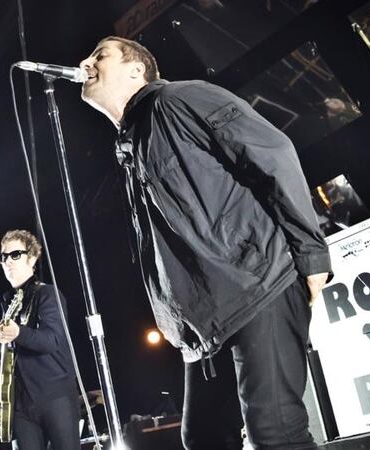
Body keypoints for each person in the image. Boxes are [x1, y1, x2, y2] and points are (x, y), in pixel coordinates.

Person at [79, 36, 332, 450]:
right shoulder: (132, 143)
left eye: (99, 55)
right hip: (205, 319)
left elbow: (273, 152)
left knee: (275, 431)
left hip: (256, 285)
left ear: (136, 69)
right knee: (204, 438)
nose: (85, 63)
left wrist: (311, 250)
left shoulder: (180, 99)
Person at [0, 230, 79, 450]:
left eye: (15, 255)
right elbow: (16, 355)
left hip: (54, 396)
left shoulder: (47, 294)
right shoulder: (8, 302)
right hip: (21, 403)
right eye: (4, 256)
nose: (8, 262)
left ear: (31, 258)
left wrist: (18, 333)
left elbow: (52, 340)